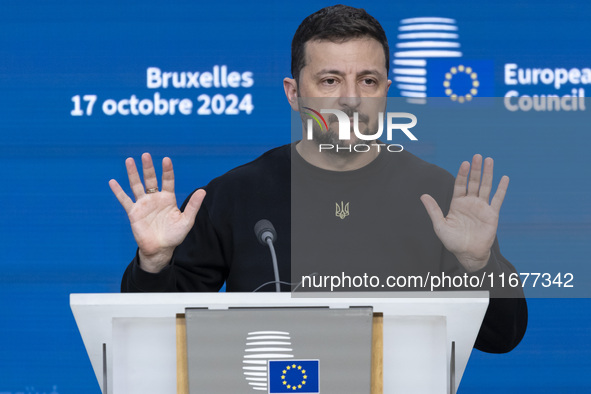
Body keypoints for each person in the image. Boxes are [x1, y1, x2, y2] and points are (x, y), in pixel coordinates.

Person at [109, 5, 527, 353]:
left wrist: (479, 266)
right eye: (330, 80)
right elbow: (155, 334)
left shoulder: (436, 195)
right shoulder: (236, 193)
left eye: (368, 80)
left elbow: (501, 337)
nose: (350, 98)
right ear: (294, 93)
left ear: (386, 91)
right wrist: (154, 263)